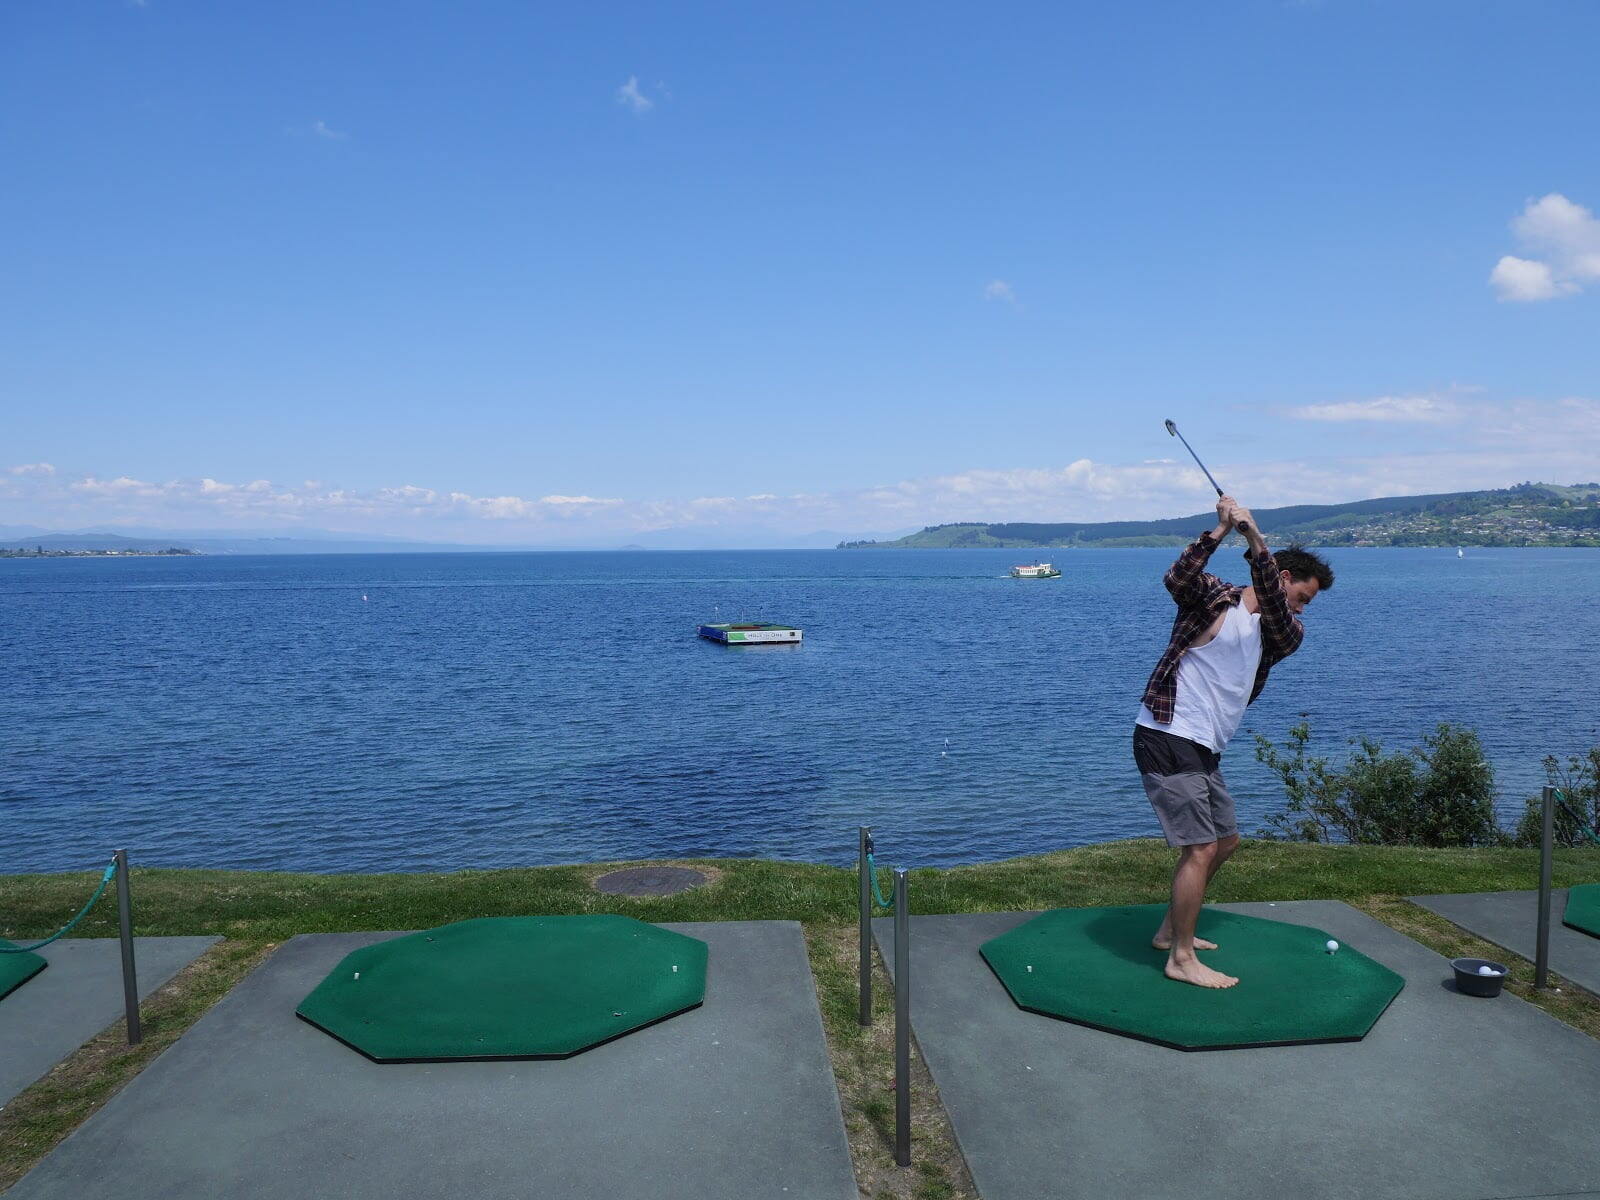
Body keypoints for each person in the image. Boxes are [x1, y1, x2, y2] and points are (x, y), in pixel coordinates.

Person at [1133, 495, 1333, 989]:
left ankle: (1169, 931)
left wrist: (1255, 536)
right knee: (1200, 847)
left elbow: (1269, 592)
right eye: (1302, 596)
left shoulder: (1285, 632)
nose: (1302, 609)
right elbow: (1176, 579)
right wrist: (1222, 531)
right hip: (1166, 732)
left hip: (1204, 745)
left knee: (1225, 841)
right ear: (1286, 578)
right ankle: (1180, 958)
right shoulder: (1213, 597)